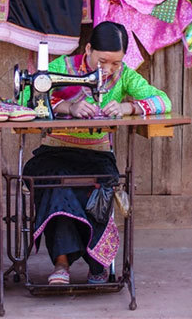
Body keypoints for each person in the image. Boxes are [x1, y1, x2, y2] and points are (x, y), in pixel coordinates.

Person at [21, 21, 172, 285]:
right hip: (55, 152)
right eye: (103, 61)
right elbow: (25, 99)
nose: (109, 69)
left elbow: (163, 101)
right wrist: (68, 106)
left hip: (97, 154)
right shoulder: (60, 69)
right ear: (88, 49)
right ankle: (61, 264)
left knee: (100, 184)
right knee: (56, 181)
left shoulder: (124, 76)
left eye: (116, 63)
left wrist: (129, 108)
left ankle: (98, 262)